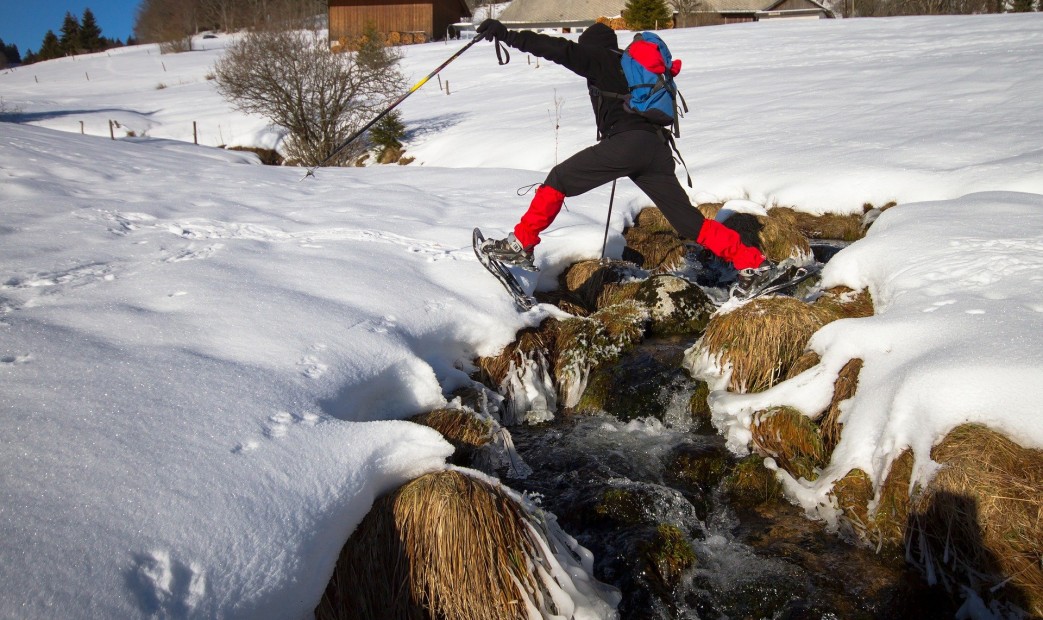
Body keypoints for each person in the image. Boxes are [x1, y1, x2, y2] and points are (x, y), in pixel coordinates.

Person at [474, 19, 782, 297]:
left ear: (590, 46)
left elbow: (556, 48)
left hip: (629, 145)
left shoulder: (596, 57)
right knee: (690, 223)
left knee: (559, 179)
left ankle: (521, 244)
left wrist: (507, 35)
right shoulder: (629, 65)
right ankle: (754, 265)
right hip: (657, 149)